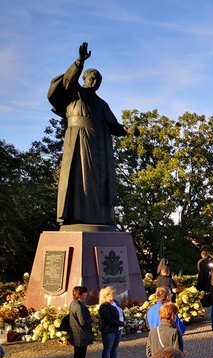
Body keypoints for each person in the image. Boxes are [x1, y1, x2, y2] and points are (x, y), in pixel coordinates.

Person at [48, 42, 139, 226]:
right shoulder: (75, 93)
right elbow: (67, 81)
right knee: (80, 181)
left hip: (101, 148)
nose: (95, 82)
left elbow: (114, 126)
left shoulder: (102, 104)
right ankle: (76, 218)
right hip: (79, 142)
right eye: (92, 77)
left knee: (100, 184)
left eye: (98, 80)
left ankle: (100, 220)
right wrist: (79, 61)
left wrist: (127, 129)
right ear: (84, 77)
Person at [68, 286, 93, 358]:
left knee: (78, 357)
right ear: (80, 294)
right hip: (80, 335)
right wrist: (92, 319)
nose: (86, 294)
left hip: (76, 334)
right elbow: (82, 322)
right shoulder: (78, 306)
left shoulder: (74, 303)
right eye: (85, 293)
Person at [99, 286, 124, 358]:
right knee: (107, 349)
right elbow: (108, 320)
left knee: (114, 348)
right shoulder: (104, 306)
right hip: (109, 330)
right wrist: (121, 323)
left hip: (118, 330)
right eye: (113, 294)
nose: (115, 295)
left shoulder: (115, 303)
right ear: (107, 295)